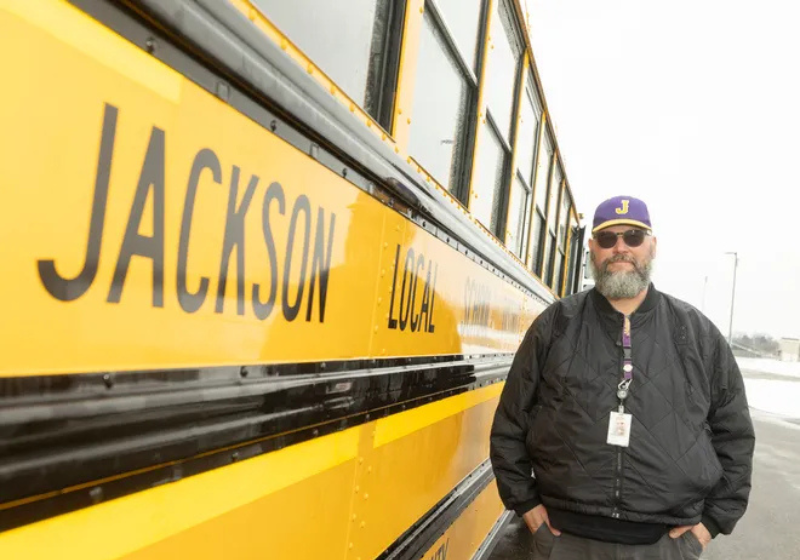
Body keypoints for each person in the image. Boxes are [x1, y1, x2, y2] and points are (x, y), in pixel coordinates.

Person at [490, 195, 755, 559]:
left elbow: (735, 434)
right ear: (592, 249)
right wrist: (526, 506)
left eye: (633, 237)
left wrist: (710, 525)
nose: (620, 248)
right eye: (607, 238)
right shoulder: (556, 325)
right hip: (565, 540)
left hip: (664, 545)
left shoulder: (696, 334)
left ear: (652, 246)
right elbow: (510, 421)